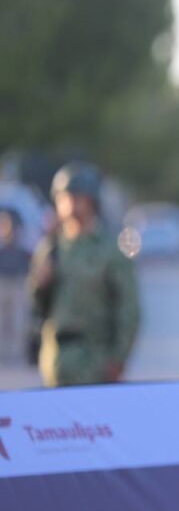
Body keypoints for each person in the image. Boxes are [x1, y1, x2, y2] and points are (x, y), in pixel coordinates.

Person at [26, 162, 139, 386]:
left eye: (78, 198)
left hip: (96, 360)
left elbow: (128, 309)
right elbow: (36, 306)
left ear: (91, 202)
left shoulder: (109, 251)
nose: (71, 205)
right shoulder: (50, 249)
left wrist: (118, 359)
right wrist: (41, 284)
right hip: (56, 361)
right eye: (64, 199)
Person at [0, 208, 31, 361]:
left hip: (17, 286)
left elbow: (26, 265)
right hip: (2, 285)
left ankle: (16, 356)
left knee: (18, 322)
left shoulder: (20, 248)